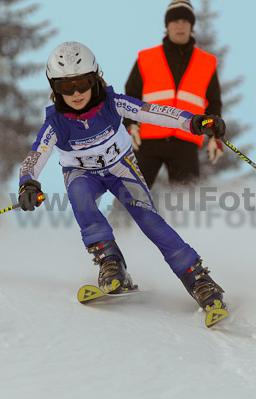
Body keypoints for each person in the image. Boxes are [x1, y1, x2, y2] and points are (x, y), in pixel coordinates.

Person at [17, 41, 227, 315]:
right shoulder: (56, 122)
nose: (76, 92)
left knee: (149, 219)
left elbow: (153, 112)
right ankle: (111, 262)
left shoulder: (112, 103)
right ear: (54, 88)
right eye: (65, 87)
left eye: (82, 82)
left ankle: (198, 278)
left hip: (121, 169)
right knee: (80, 198)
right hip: (82, 173)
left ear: (95, 79)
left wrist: (194, 122)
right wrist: (27, 183)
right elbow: (35, 156)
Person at [124, 0, 224, 189]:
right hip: (148, 140)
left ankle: (183, 220)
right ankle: (118, 221)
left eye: (186, 21)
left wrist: (214, 137)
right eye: (175, 20)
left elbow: (214, 103)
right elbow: (131, 95)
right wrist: (130, 125)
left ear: (192, 27)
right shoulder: (146, 58)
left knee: (187, 205)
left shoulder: (206, 62)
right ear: (167, 25)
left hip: (185, 143)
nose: (180, 25)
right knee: (130, 195)